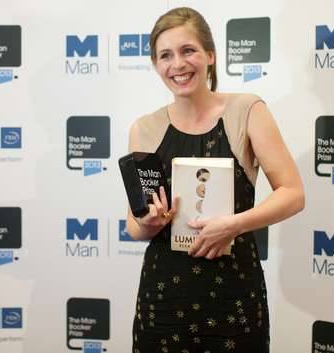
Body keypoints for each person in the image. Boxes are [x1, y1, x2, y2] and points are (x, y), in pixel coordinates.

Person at [125, 7, 304, 352]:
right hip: (164, 299)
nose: (177, 64)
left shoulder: (247, 111)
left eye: (188, 50)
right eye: (166, 55)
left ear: (210, 55)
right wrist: (148, 221)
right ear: (156, 64)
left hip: (234, 296)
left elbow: (293, 193)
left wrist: (234, 225)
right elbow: (134, 226)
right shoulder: (143, 130)